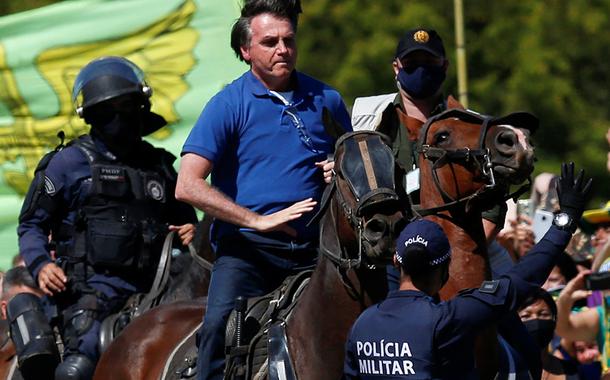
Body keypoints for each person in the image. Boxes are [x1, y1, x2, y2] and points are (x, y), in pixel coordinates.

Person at [175, 1, 351, 379]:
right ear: (245, 50)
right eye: (270, 42)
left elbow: (355, 169)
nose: (282, 49)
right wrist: (257, 220)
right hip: (246, 255)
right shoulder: (227, 104)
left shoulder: (329, 100)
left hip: (317, 253)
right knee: (218, 332)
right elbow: (187, 185)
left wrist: (340, 169)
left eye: (288, 40)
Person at [16, 56, 197, 380]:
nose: (119, 118)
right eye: (108, 111)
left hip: (159, 286)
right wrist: (42, 265)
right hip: (92, 291)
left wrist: (190, 231)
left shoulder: (159, 166)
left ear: (141, 108)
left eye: (127, 107)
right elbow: (31, 224)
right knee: (77, 370)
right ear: (92, 116)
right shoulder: (67, 164)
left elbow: (187, 222)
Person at [344, 162, 591, 379]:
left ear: (397, 262)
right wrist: (564, 223)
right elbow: (521, 280)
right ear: (445, 267)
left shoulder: (361, 325)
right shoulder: (447, 319)